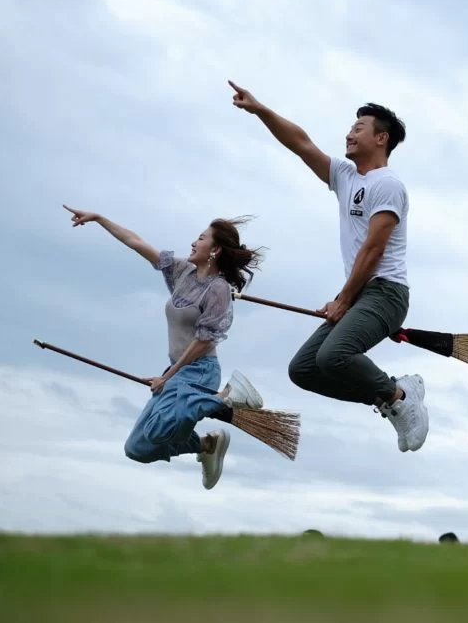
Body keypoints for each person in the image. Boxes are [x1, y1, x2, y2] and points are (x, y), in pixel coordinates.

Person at [227, 80, 427, 453]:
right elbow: (301, 143)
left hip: (385, 293)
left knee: (332, 356)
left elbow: (374, 251)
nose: (349, 134)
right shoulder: (346, 176)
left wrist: (343, 299)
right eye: (350, 128)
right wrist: (260, 110)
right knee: (303, 370)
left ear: (381, 139)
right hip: (360, 291)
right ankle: (390, 395)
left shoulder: (389, 185)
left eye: (358, 128)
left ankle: (397, 396)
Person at [63, 205, 264, 489]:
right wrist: (99, 219)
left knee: (160, 427)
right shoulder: (182, 272)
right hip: (177, 372)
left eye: (201, 238)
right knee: (137, 448)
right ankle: (206, 444)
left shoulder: (218, 289)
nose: (194, 242)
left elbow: (203, 341)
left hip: (199, 372)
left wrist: (165, 379)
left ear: (215, 249)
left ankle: (225, 398)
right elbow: (136, 242)